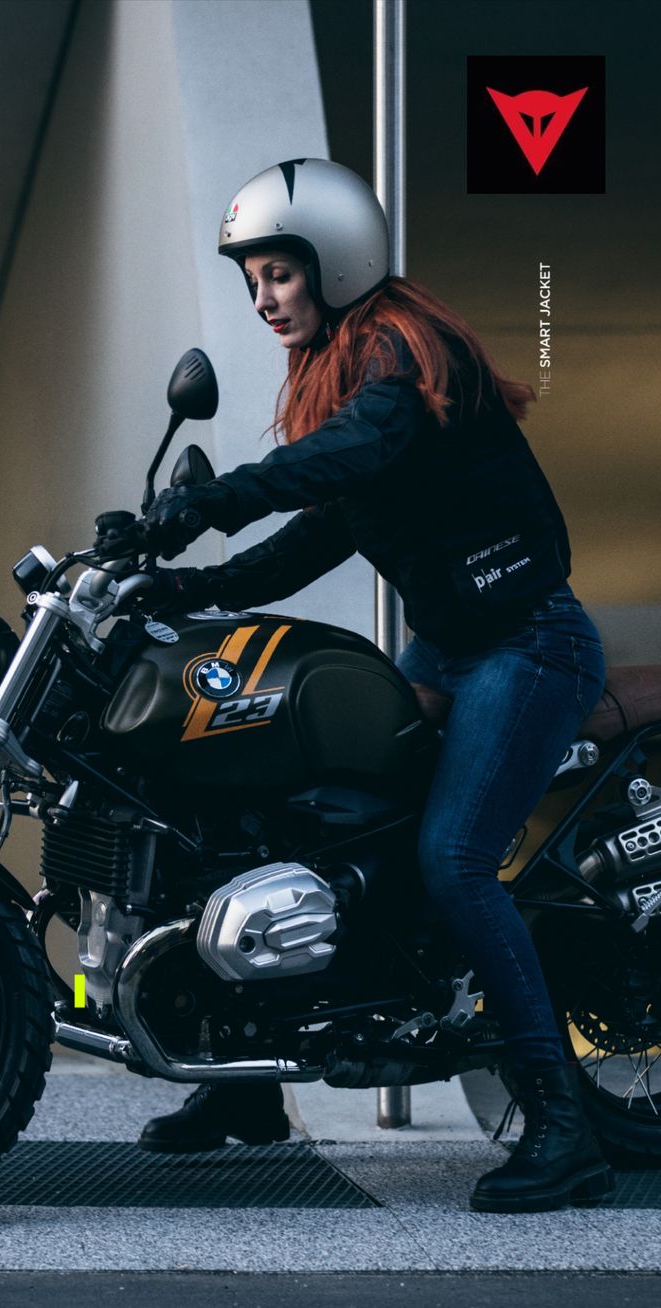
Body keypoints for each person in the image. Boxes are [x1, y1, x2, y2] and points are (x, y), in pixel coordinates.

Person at [135, 159, 612, 1213]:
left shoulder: (401, 355)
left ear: (334, 261)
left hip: (527, 645)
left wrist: (213, 505)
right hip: (451, 649)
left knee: (454, 862)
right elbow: (327, 525)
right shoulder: (344, 367)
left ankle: (565, 1121)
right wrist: (186, 581)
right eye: (253, 280)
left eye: (278, 275)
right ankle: (251, 1085)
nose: (263, 299)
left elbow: (346, 460)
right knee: (293, 810)